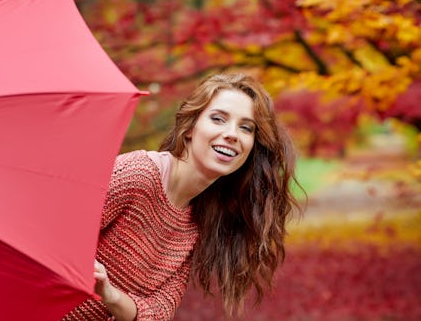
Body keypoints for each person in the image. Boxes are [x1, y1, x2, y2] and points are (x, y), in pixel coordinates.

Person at [62, 73, 302, 321]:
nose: (232, 134)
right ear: (189, 128)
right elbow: (55, 241)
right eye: (218, 119)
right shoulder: (139, 174)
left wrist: (110, 295)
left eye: (246, 127)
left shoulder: (199, 220)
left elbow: (159, 311)